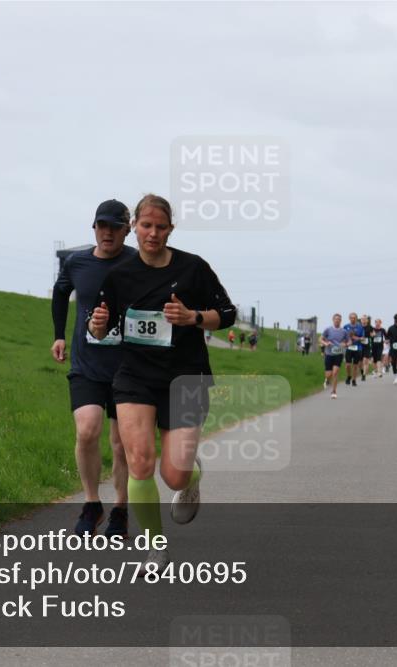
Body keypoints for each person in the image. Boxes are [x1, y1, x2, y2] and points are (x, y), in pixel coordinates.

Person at [88, 194, 236, 571]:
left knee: (174, 475)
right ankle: (156, 550)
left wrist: (193, 317)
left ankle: (191, 477)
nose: (152, 233)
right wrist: (98, 326)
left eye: (161, 227)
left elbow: (228, 314)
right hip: (135, 377)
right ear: (134, 226)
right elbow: (101, 326)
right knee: (139, 461)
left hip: (185, 378)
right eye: (146, 225)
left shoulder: (194, 269)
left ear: (171, 229)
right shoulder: (119, 276)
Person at [51, 200, 135, 538]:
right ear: (94, 228)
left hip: (127, 367)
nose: (108, 233)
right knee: (87, 430)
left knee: (120, 442)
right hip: (86, 364)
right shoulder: (77, 262)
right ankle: (91, 503)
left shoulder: (137, 262)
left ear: (127, 230)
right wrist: (58, 335)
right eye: (102, 226)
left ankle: (120, 509)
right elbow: (60, 295)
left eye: (115, 227)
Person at [320, 314, 349, 398]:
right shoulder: (328, 329)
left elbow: (349, 341)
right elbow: (320, 339)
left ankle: (334, 391)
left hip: (339, 353)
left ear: (341, 321)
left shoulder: (344, 331)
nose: (337, 320)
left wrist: (345, 344)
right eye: (336, 319)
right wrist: (326, 343)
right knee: (328, 374)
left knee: (335, 372)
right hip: (329, 353)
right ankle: (327, 380)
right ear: (333, 320)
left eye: (339, 319)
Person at [342, 312, 365, 387]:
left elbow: (363, 338)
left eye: (354, 318)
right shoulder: (346, 326)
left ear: (356, 318)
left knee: (355, 365)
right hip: (349, 348)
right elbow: (342, 337)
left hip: (358, 348)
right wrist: (345, 342)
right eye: (351, 317)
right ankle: (349, 376)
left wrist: (355, 338)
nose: (353, 319)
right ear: (349, 318)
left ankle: (354, 380)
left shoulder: (360, 327)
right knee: (348, 365)